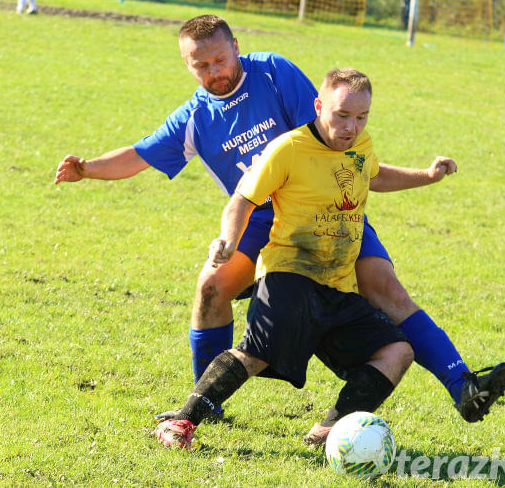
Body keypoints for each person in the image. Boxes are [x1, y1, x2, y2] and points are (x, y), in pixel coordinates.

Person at [53, 14, 505, 426]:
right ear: (187, 65)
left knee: (386, 289)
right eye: (200, 66)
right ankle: (205, 406)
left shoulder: (273, 72)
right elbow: (141, 155)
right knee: (211, 286)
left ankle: (463, 386)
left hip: (330, 213)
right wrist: (88, 168)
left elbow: (336, 139)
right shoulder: (195, 117)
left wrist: (423, 176)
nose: (213, 71)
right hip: (259, 222)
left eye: (218, 59)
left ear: (236, 45)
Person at [154, 69, 414, 450]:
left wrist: (427, 175)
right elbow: (243, 198)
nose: (351, 127)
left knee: (398, 351)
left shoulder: (362, 146)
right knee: (258, 352)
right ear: (318, 106)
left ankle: (329, 431)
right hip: (288, 273)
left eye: (361, 117)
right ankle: (182, 420)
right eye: (342, 115)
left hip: (337, 284)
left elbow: (373, 174)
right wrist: (229, 238)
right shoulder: (288, 148)